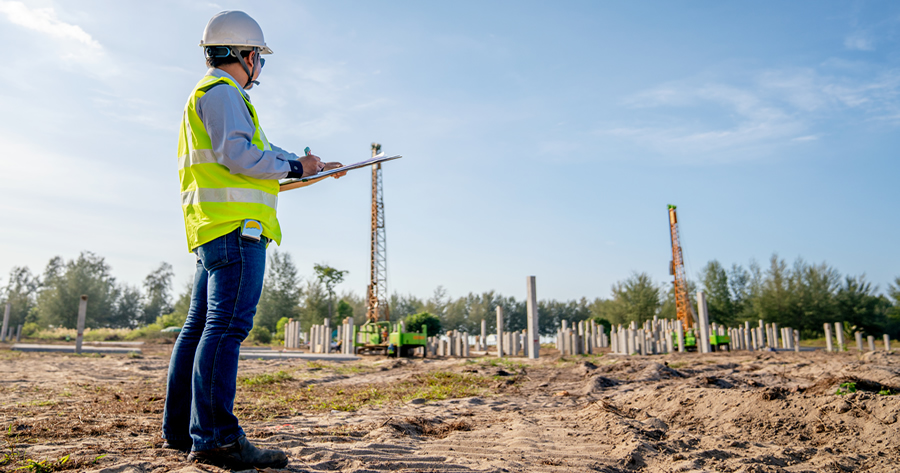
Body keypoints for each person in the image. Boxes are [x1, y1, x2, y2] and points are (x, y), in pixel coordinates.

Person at [162, 11, 345, 470]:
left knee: (199, 329)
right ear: (244, 55)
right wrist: (294, 168)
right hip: (237, 234)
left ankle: (183, 432)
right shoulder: (224, 93)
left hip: (212, 229)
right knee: (225, 329)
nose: (259, 67)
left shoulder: (205, 95)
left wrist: (306, 165)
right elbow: (240, 155)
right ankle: (217, 438)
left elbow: (247, 155)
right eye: (258, 57)